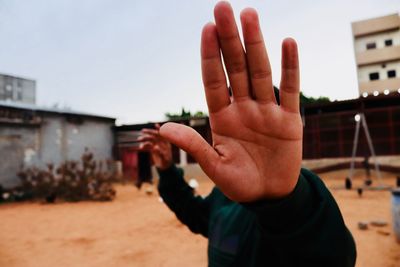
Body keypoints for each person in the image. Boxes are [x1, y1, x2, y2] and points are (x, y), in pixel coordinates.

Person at [139, 2, 356, 266]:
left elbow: (331, 257)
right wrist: (167, 171)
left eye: (249, 115)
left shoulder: (297, 215)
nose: (236, 124)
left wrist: (287, 202)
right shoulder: (224, 195)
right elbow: (200, 217)